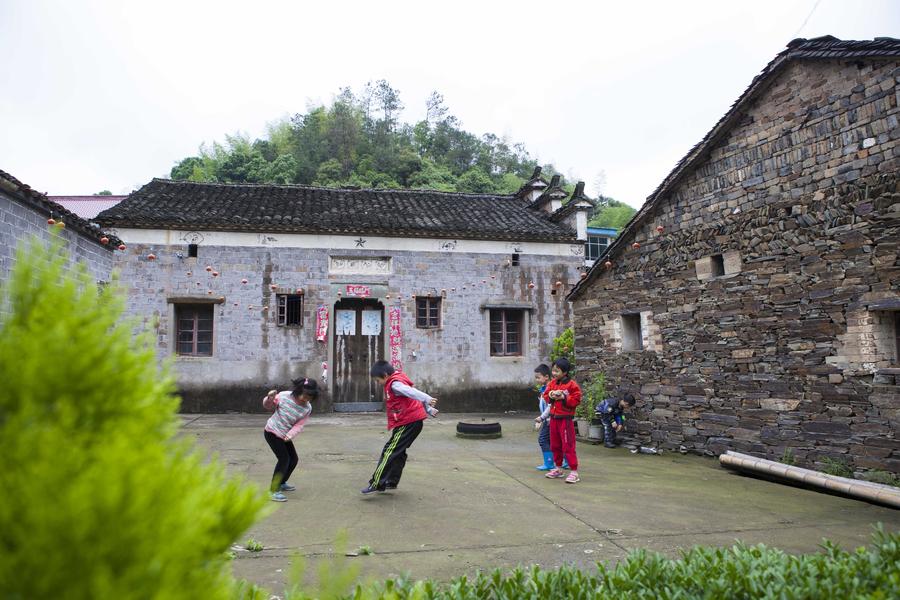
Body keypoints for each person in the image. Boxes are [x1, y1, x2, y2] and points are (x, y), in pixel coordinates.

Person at [362, 360, 437, 495]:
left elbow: (411, 392)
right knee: (399, 451)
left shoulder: (395, 384)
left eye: (378, 380)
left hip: (407, 422)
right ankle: (391, 481)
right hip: (412, 422)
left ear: (385, 375)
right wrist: (429, 410)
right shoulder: (398, 379)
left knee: (389, 451)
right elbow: (411, 396)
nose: (378, 383)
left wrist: (426, 398)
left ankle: (376, 482)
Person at [262, 377, 316, 502]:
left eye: (309, 397)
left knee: (294, 459)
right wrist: (269, 398)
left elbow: (299, 425)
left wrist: (291, 435)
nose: (305, 399)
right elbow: (268, 406)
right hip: (271, 431)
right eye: (303, 395)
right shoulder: (284, 396)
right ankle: (273, 490)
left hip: (284, 435)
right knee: (284, 459)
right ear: (297, 391)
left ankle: (282, 482)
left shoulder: (307, 408)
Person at [543, 358, 582, 483]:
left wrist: (564, 396)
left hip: (565, 420)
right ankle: (558, 468)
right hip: (553, 419)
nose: (554, 373)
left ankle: (574, 471)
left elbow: (576, 400)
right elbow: (546, 395)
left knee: (568, 445)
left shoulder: (572, 385)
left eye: (557, 371)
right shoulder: (552, 383)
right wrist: (551, 395)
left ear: (565, 372)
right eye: (553, 370)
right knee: (555, 445)